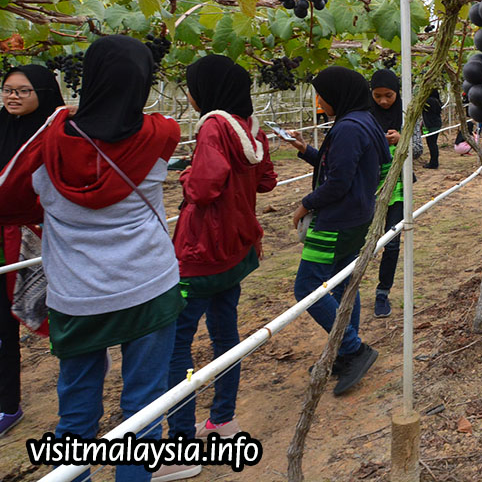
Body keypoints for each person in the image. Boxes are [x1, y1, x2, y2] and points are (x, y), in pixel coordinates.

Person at [0, 36, 181, 482]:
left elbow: (10, 198)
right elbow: (151, 123)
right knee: (142, 409)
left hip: (76, 295)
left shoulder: (49, 141)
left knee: (76, 413)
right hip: (150, 286)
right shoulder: (162, 133)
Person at [153, 56, 277, 481]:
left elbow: (204, 188)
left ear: (205, 90)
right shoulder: (249, 126)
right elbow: (266, 180)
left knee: (175, 346)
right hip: (236, 251)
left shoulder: (212, 126)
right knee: (226, 335)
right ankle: (223, 422)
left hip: (201, 252)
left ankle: (181, 446)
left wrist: (186, 177)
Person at [284, 67, 387, 396]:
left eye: (321, 95)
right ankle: (344, 352)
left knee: (307, 287)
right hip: (357, 218)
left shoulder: (346, 128)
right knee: (344, 286)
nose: (318, 100)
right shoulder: (365, 120)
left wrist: (306, 204)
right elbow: (356, 167)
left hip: (336, 222)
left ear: (337, 95)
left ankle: (354, 349)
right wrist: (306, 151)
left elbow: (338, 182)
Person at [0, 65, 62, 436]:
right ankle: (8, 403)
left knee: (52, 315)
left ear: (43, 93)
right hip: (3, 240)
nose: (12, 97)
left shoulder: (55, 135)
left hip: (41, 238)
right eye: (8, 89)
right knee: (2, 326)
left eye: (23, 91)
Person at [369, 69, 406, 319]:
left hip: (398, 188)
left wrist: (402, 138)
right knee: (360, 242)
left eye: (389, 95)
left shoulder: (407, 114)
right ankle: (346, 289)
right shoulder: (362, 115)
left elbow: (417, 149)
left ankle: (383, 292)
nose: (383, 101)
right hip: (367, 187)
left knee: (391, 244)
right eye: (377, 95)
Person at [422, 89, 442, 169]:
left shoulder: (429, 101)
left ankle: (434, 163)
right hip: (435, 124)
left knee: (432, 144)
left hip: (432, 125)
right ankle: (434, 162)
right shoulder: (437, 101)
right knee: (433, 144)